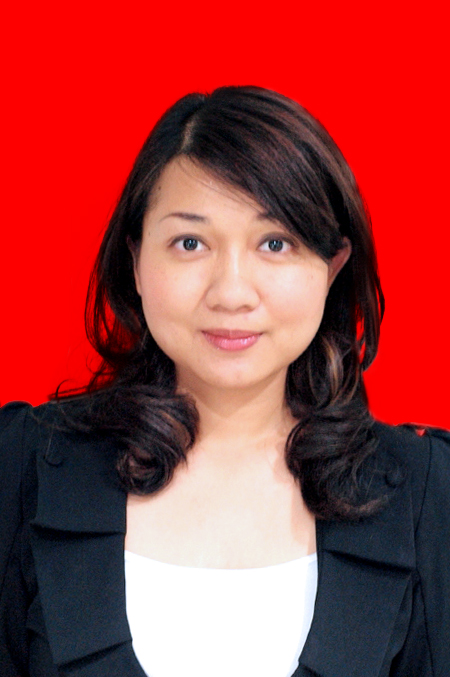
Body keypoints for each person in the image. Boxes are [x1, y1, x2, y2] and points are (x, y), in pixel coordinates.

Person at [0, 86, 449, 677]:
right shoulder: (21, 465)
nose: (232, 293)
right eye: (190, 243)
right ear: (136, 260)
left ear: (333, 267)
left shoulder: (428, 495)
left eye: (275, 243)